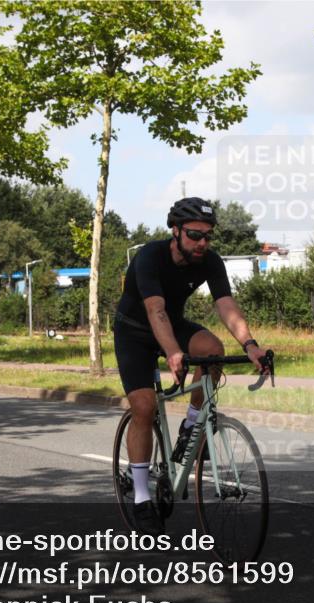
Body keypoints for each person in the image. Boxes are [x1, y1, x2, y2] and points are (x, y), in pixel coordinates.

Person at [114, 197, 269, 536]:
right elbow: (155, 311)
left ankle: (190, 428)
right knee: (144, 406)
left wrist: (251, 345)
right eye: (195, 235)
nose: (202, 243)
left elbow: (226, 305)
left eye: (207, 236)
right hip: (135, 332)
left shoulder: (209, 261)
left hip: (173, 323)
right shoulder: (149, 257)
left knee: (213, 350)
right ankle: (141, 497)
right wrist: (171, 352)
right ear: (176, 231)